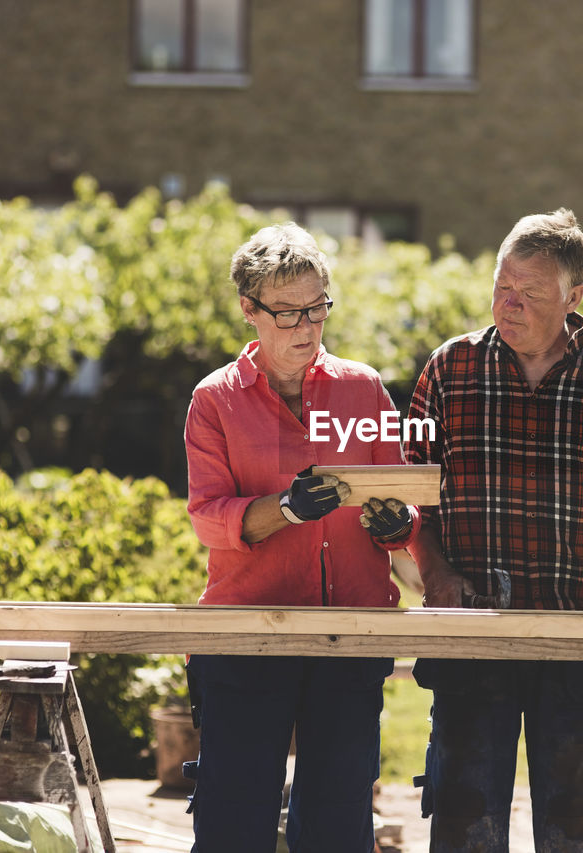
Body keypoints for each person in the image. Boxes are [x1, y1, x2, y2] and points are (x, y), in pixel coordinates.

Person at [404, 208, 583, 852]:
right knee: (465, 824)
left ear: (573, 297)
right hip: (472, 636)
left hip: (579, 634)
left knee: (574, 828)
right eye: (503, 287)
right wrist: (433, 569)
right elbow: (409, 486)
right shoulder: (451, 369)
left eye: (532, 293)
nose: (512, 304)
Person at [183, 222, 419, 852]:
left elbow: (403, 499)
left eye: (317, 309)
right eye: (287, 314)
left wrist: (401, 526)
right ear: (249, 311)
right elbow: (208, 517)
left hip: (351, 635)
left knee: (338, 824)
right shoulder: (215, 401)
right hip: (244, 634)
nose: (306, 328)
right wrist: (282, 509)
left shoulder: (361, 388)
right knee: (235, 821)